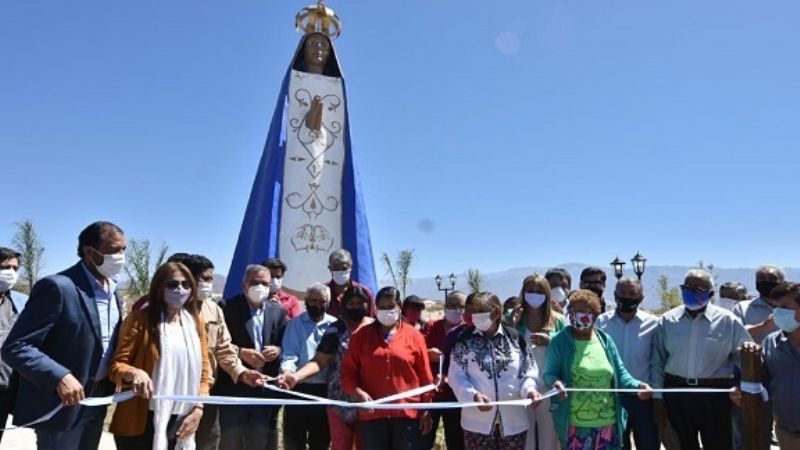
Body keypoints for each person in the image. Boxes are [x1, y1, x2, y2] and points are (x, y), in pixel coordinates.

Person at [2, 221, 125, 450]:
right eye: (113, 250)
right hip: (63, 404)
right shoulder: (58, 287)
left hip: (98, 399)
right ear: (89, 251)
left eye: (123, 250)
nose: (120, 257)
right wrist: (60, 376)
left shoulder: (113, 291)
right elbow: (17, 346)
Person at [109, 262, 212, 450]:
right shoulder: (139, 320)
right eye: (172, 284)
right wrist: (133, 373)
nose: (180, 289)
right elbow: (117, 366)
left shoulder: (196, 323)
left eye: (186, 284)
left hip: (182, 416)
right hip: (141, 418)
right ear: (158, 287)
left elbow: (204, 374)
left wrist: (198, 409)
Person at [651, 269, 752, 450]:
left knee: (719, 445)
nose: (690, 291)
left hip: (715, 394)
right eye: (687, 287)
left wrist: (741, 385)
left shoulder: (727, 321)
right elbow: (657, 361)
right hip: (676, 392)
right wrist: (657, 397)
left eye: (697, 289)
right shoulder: (668, 320)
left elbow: (745, 356)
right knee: (682, 445)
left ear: (711, 294)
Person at [544, 289, 652, 450]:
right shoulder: (559, 341)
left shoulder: (605, 340)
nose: (580, 315)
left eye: (586, 311)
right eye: (575, 310)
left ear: (595, 315)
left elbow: (621, 375)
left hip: (608, 425)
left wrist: (638, 386)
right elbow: (549, 374)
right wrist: (556, 383)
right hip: (576, 426)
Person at [279, 285, 375, 450]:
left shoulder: (377, 328)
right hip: (339, 401)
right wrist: (295, 376)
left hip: (372, 398)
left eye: (360, 303)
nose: (355, 307)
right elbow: (319, 361)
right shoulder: (335, 329)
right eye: (351, 303)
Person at [184, 255, 263, 450]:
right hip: (177, 390)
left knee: (209, 441)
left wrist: (242, 373)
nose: (208, 284)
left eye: (211, 279)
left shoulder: (213, 309)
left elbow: (223, 348)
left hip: (207, 390)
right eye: (204, 279)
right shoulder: (171, 309)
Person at [342, 286, 434, 450]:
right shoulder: (360, 336)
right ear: (375, 308)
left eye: (390, 306)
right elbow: (348, 373)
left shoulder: (414, 336)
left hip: (406, 415)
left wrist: (426, 408)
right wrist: (356, 392)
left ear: (399, 307)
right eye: (382, 307)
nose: (386, 311)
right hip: (372, 415)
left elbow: (425, 376)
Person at [449, 291, 543, 450]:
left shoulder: (515, 338)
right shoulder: (464, 340)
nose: (476, 316)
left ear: (497, 311)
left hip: (514, 423)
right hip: (476, 424)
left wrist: (530, 391)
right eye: (474, 311)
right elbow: (456, 375)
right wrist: (473, 396)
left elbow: (528, 370)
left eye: (482, 311)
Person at [215, 264, 287, 450]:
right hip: (233, 388)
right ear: (244, 285)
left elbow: (284, 342)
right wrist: (240, 352)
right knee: (229, 443)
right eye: (255, 282)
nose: (260, 287)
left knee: (258, 442)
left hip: (263, 389)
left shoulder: (278, 311)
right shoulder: (226, 308)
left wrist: (278, 350)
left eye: (265, 283)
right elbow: (217, 344)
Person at [595, 278, 660, 450]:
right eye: (622, 292)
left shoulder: (653, 324)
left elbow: (658, 360)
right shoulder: (601, 322)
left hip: (643, 398)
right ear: (615, 294)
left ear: (641, 297)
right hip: (611, 397)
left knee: (648, 444)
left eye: (632, 293)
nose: (626, 297)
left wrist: (655, 392)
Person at [733, 282, 800, 448]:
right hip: (788, 433)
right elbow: (762, 383)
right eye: (775, 307)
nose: (777, 313)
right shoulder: (771, 343)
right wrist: (740, 390)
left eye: (784, 307)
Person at [280, 283, 337, 450]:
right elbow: (289, 355)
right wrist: (287, 372)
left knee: (321, 441)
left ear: (328, 303)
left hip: (325, 391)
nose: (317, 305)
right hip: (298, 388)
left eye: (322, 301)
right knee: (294, 441)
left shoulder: (336, 325)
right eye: (313, 300)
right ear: (306, 301)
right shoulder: (294, 325)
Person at [516, 274, 564, 450]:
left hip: (550, 388)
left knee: (549, 439)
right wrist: (511, 324)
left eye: (539, 291)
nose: (534, 294)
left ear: (547, 294)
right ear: (523, 292)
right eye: (530, 290)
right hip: (521, 387)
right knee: (525, 439)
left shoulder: (558, 320)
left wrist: (551, 340)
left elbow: (568, 346)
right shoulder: (515, 318)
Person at [420, 290, 467, 450]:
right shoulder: (431, 326)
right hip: (431, 392)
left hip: (456, 395)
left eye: (460, 306)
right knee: (425, 438)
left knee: (456, 440)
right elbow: (417, 351)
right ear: (445, 306)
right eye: (452, 305)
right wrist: (428, 354)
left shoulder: (467, 331)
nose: (456, 309)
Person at [0, 247, 24, 443]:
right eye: (5, 267)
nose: (11, 273)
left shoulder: (20, 302)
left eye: (15, 268)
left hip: (9, 387)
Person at [326, 249, 375, 318]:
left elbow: (372, 319)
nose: (340, 271)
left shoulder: (364, 292)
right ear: (330, 268)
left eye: (344, 268)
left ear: (351, 267)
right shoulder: (322, 293)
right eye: (336, 268)